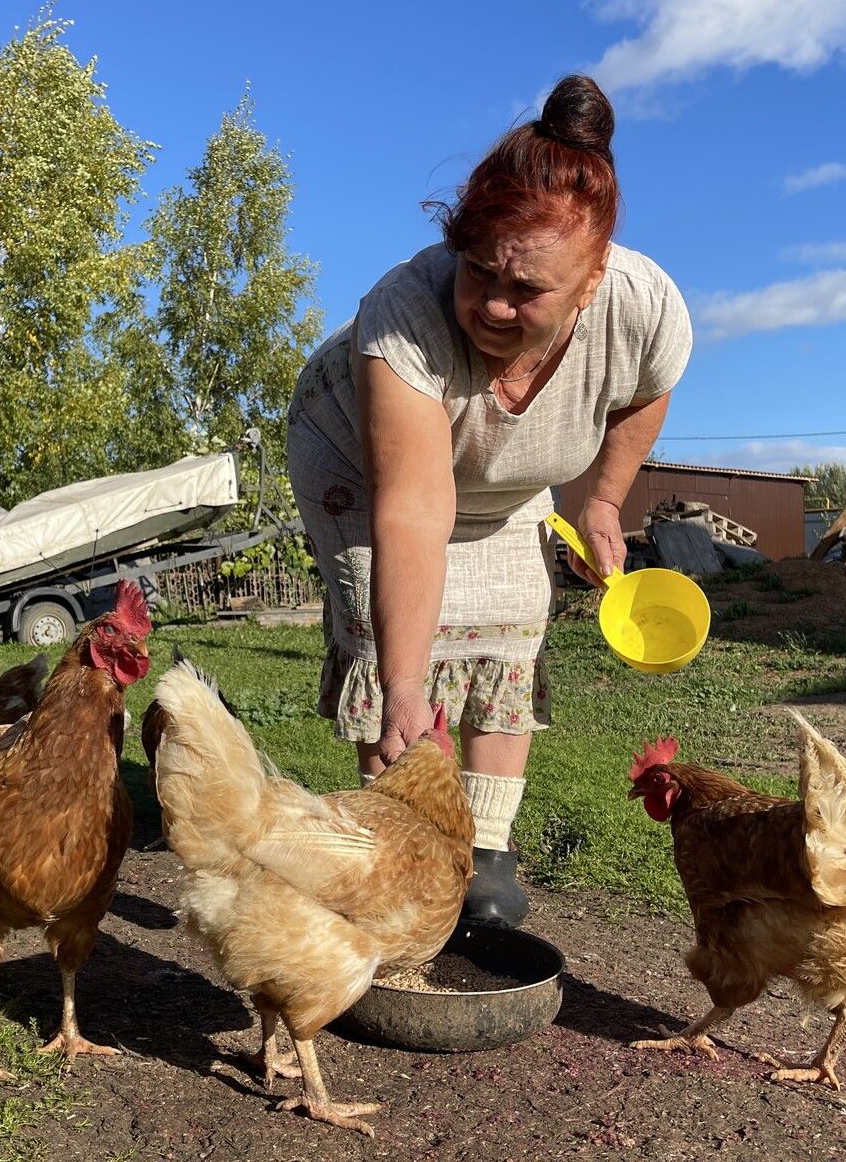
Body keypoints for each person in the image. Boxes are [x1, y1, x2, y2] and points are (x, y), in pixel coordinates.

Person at [285, 74, 692, 926]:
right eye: (478, 273)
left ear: (590, 283)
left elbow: (648, 390)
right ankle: (395, 852)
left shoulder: (642, 308)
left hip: (506, 480)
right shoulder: (403, 315)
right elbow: (410, 512)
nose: (494, 305)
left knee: (511, 627)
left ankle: (487, 855)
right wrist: (402, 681)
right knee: (393, 644)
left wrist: (603, 502)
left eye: (528, 291)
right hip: (362, 473)